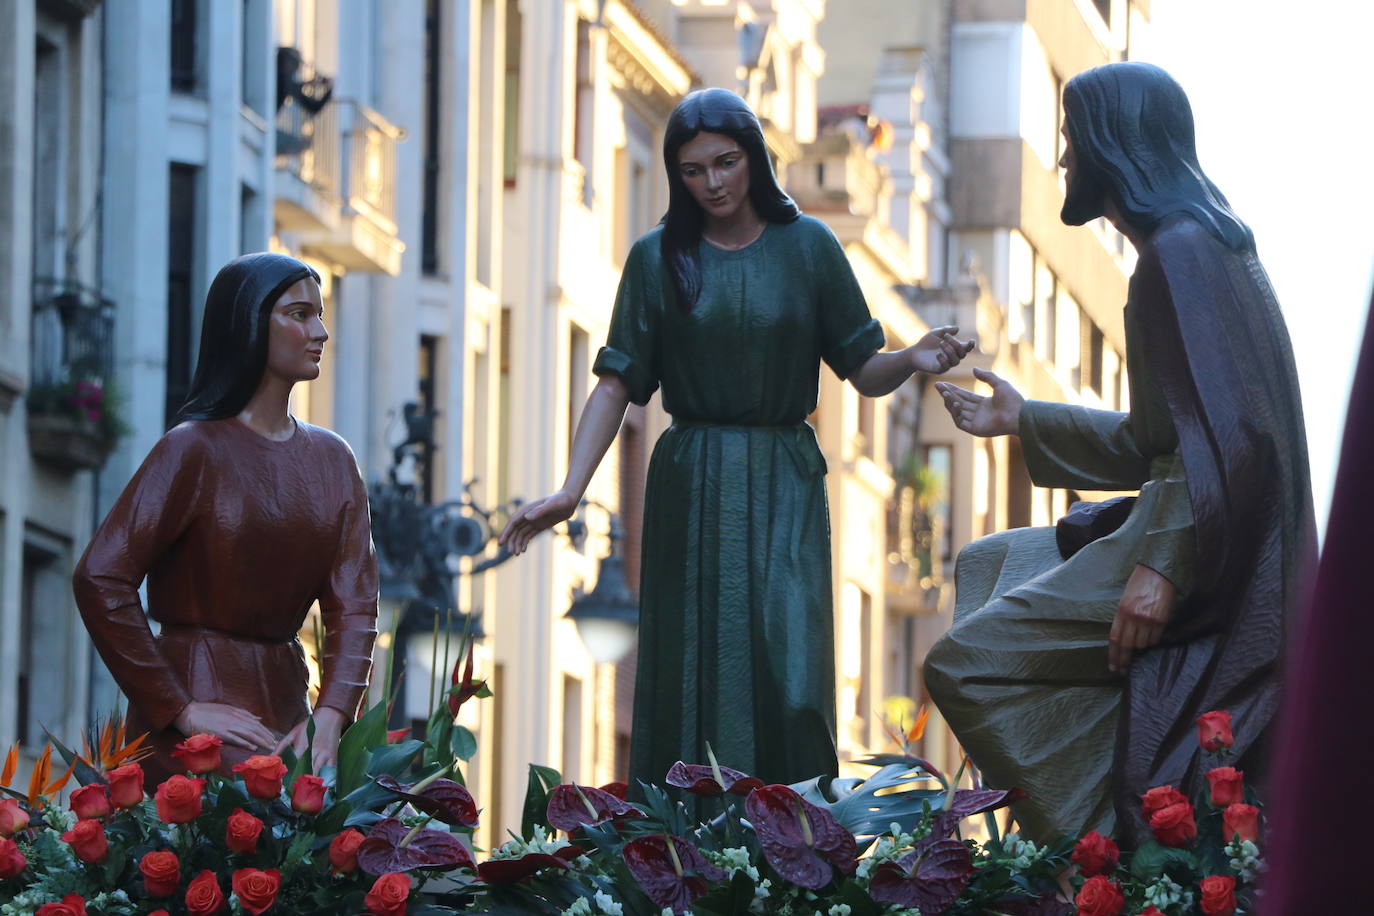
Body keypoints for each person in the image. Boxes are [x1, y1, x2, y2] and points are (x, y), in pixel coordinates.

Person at [500, 88, 973, 790]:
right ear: (676, 176)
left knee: (792, 669)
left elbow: (860, 366)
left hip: (784, 475)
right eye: (694, 170)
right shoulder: (657, 258)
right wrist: (571, 489)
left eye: (726, 162)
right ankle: (687, 843)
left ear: (754, 157)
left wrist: (911, 358)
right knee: (691, 662)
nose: (713, 183)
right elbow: (615, 382)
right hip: (692, 479)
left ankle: (795, 837)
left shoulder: (809, 247)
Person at [924, 62, 1313, 846]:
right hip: (1190, 521)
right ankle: (1086, 817)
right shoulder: (1193, 249)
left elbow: (1233, 439)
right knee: (987, 565)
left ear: (1113, 145)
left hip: (1207, 550)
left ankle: (1094, 860)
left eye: (1071, 139)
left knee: (963, 664)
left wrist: (1160, 570)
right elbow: (1157, 441)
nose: (1065, 158)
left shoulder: (1182, 253)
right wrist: (1026, 421)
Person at [73, 253, 378, 784]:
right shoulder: (193, 449)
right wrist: (179, 706)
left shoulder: (334, 460)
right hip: (197, 703)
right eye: (299, 314)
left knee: (339, 823)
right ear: (249, 323)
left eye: (320, 314)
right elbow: (101, 575)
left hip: (287, 706)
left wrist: (329, 720)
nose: (321, 332)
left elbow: (354, 605)